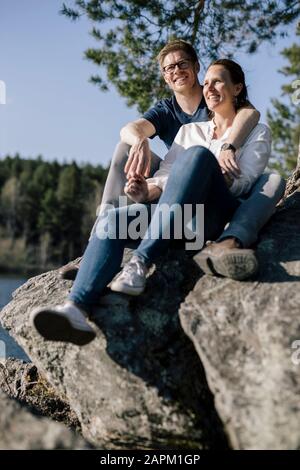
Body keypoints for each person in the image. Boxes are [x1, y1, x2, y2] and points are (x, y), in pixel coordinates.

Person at [31, 58, 272, 346]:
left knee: (197, 156)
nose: (209, 88)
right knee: (112, 219)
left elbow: (245, 182)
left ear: (237, 87)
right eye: (206, 83)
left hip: (209, 219)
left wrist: (217, 172)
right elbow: (166, 176)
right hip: (173, 220)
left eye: (218, 81)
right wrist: (147, 191)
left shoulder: (257, 131)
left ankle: (140, 263)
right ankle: (76, 309)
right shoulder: (189, 132)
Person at [59, 40, 285, 282]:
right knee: (124, 148)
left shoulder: (215, 98)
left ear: (197, 67)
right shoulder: (167, 110)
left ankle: (227, 240)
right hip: (171, 177)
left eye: (182, 64)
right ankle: (99, 239)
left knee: (269, 179)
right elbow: (130, 129)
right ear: (165, 77)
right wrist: (139, 141)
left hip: (212, 188)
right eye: (169, 68)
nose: (176, 71)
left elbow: (250, 114)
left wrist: (230, 147)